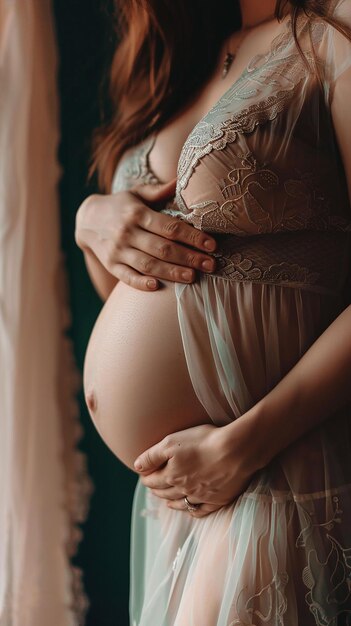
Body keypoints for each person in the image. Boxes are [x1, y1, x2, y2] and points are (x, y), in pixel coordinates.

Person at [75, 0, 351, 623]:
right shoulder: (173, 59)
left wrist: (240, 450)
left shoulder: (331, 37)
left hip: (272, 457)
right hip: (180, 491)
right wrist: (92, 225)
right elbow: (128, 289)